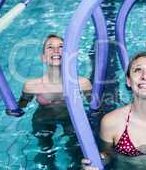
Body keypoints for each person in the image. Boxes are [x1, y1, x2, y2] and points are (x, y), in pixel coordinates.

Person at [18, 34, 92, 169]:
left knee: (76, 152)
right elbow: (21, 106)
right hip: (43, 120)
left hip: (71, 118)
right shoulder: (32, 85)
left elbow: (94, 107)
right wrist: (14, 110)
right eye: (50, 47)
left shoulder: (82, 83)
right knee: (45, 152)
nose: (56, 50)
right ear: (43, 57)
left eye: (61, 47)